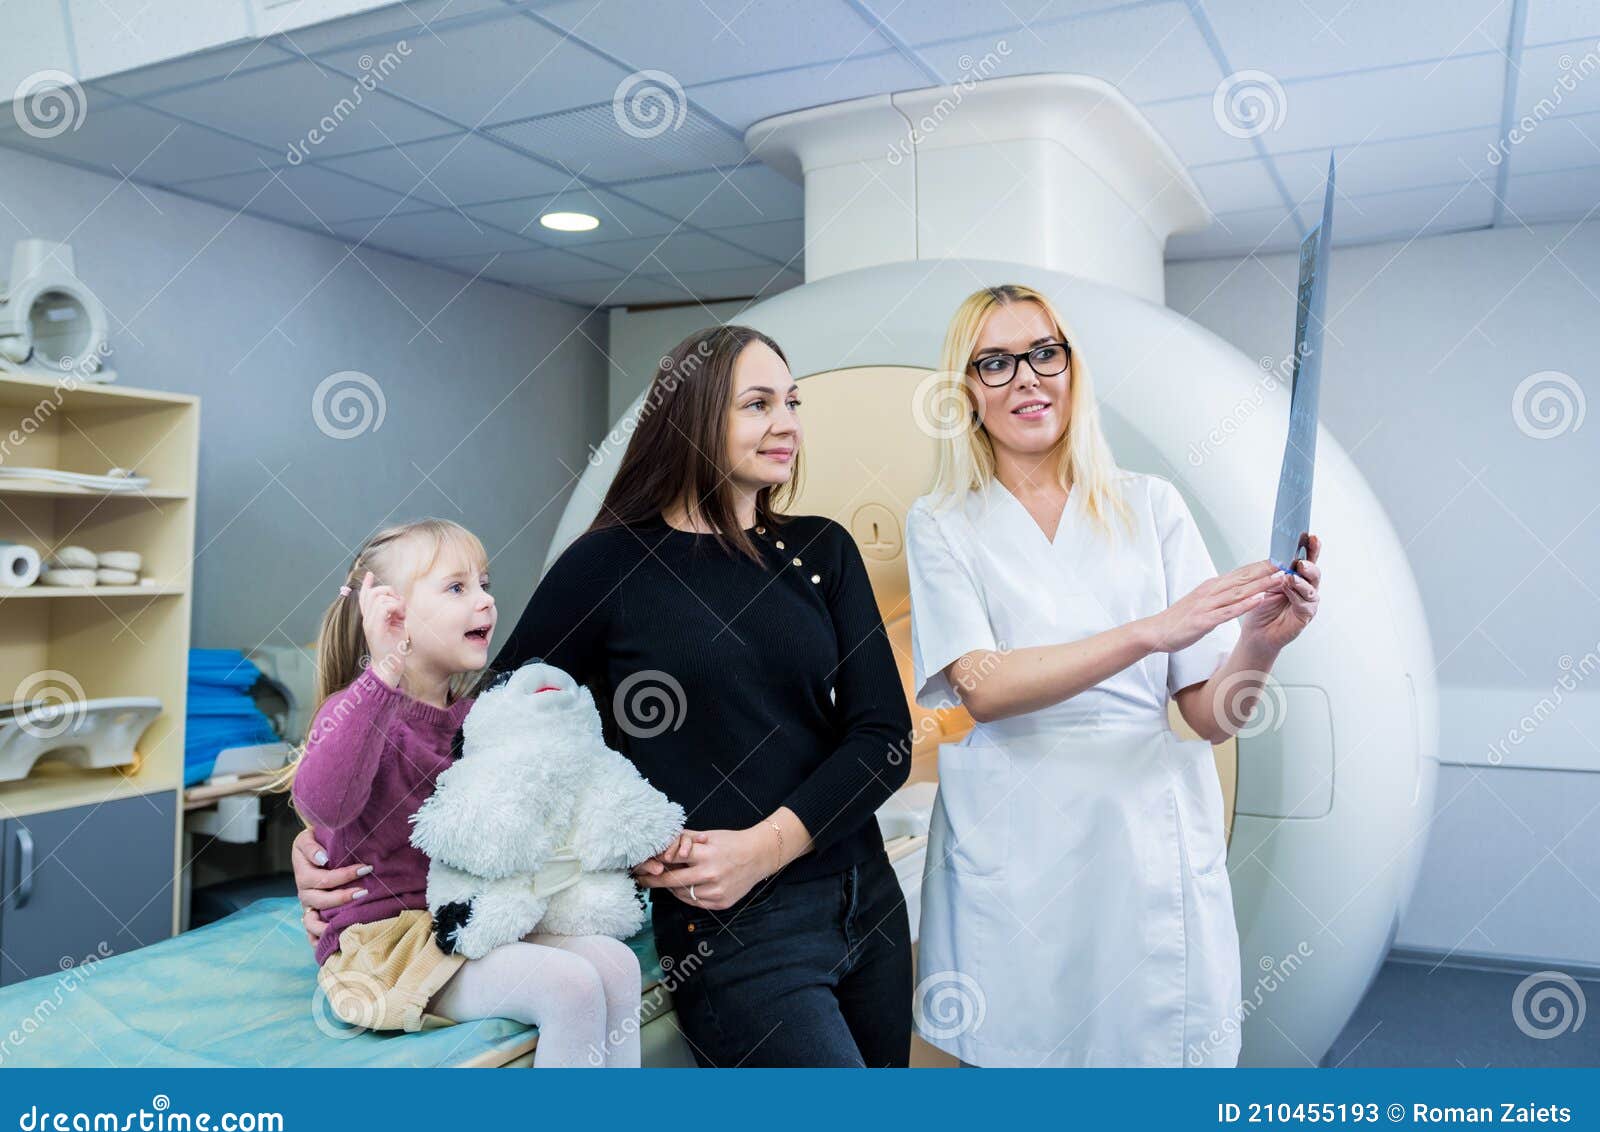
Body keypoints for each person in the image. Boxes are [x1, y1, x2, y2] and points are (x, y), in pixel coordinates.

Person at [295, 327, 915, 1066]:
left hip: (864, 897)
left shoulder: (823, 550)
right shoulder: (610, 565)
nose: (788, 424)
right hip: (738, 931)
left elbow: (884, 740)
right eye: (757, 404)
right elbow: (494, 738)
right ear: (691, 418)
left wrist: (764, 847)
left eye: (792, 401)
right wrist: (337, 843)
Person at [906, 284, 1323, 1067]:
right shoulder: (942, 521)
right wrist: (1147, 634)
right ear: (966, 392)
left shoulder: (1149, 506)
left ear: (1071, 369)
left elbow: (1206, 715)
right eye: (993, 363)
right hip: (1017, 838)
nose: (1025, 378)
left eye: (1043, 353)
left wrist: (1262, 646)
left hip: (1142, 833)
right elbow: (985, 687)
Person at [291, 518, 666, 1066]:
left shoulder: (480, 719)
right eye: (456, 588)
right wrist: (383, 673)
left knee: (615, 965)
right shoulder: (358, 710)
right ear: (394, 615)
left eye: (484, 584)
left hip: (467, 921)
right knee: (569, 987)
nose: (486, 602)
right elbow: (325, 802)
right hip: (384, 949)